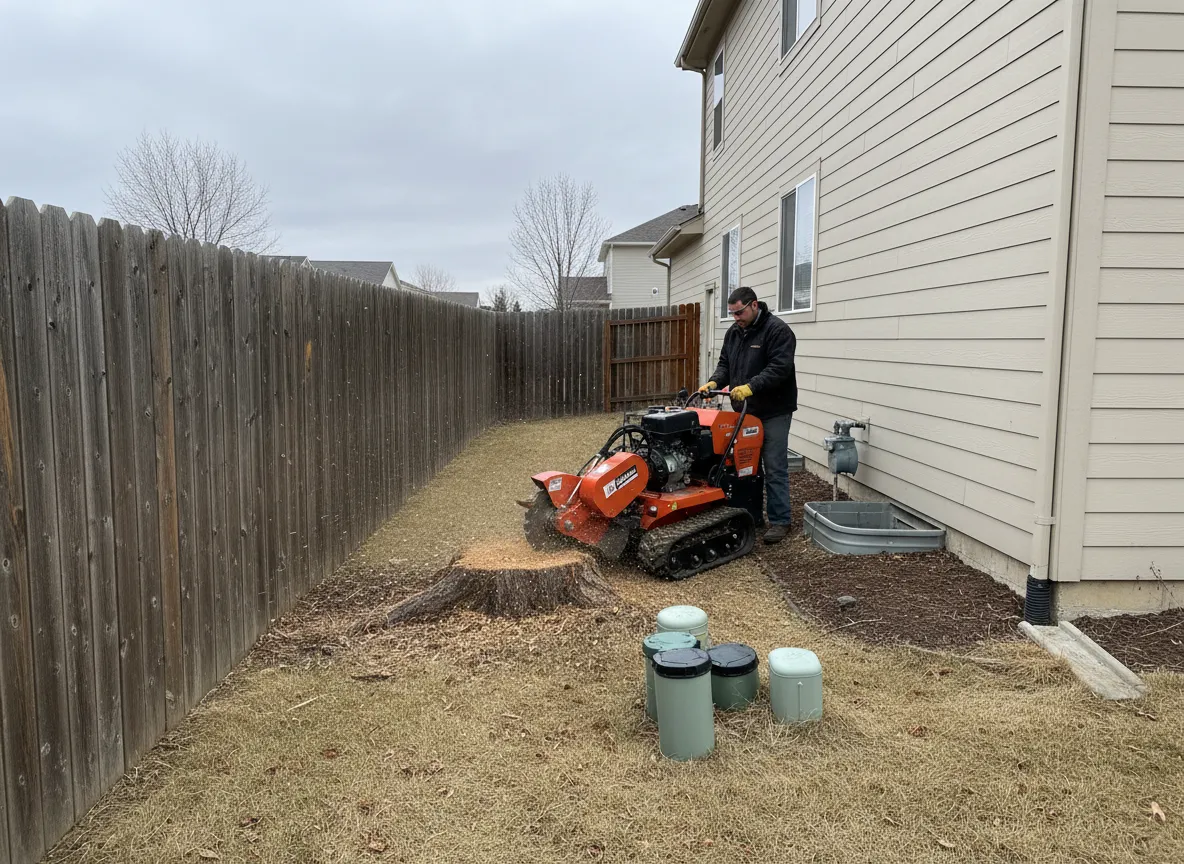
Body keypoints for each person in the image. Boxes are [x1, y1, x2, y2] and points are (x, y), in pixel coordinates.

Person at [699, 286, 797, 544]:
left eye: (739, 312)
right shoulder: (734, 333)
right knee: (746, 466)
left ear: (754, 305)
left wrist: (750, 387)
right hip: (744, 411)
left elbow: (780, 368)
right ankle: (752, 516)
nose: (735, 318)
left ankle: (780, 521)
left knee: (774, 466)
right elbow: (725, 365)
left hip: (774, 411)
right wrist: (713, 383)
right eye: (731, 313)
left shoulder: (777, 331)